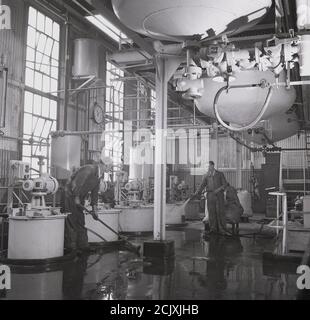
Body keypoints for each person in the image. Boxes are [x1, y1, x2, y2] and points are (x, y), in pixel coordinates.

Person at [63, 157, 113, 252]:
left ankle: (83, 246)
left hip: (79, 198)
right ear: (105, 165)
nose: (110, 168)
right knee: (72, 221)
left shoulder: (99, 176)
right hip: (69, 196)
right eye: (110, 166)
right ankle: (71, 249)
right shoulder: (89, 169)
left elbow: (95, 193)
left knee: (81, 221)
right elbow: (76, 183)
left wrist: (94, 209)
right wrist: (76, 197)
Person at [192, 161, 228, 235]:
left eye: (208, 166)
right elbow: (202, 185)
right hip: (210, 196)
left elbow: (225, 184)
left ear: (212, 166)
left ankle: (222, 229)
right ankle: (213, 229)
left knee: (220, 212)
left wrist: (218, 190)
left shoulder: (220, 174)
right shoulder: (206, 175)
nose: (207, 168)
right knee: (211, 213)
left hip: (219, 196)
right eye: (206, 167)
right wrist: (197, 192)